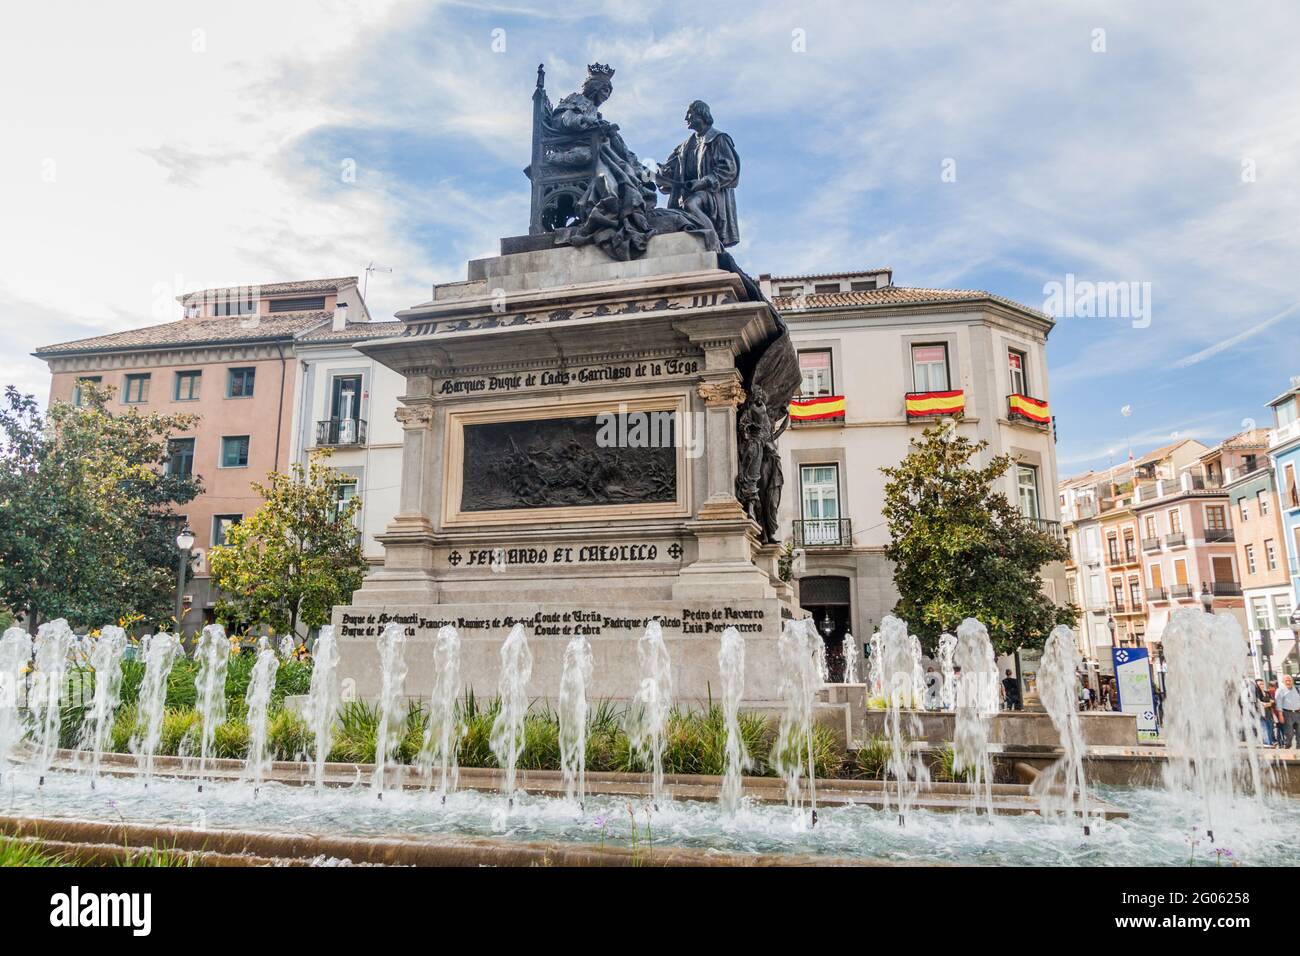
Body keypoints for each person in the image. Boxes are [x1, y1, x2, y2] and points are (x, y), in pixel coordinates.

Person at [1275, 675, 1300, 749]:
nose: (1288, 681)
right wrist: (1280, 715)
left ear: (1292, 681)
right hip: (1287, 713)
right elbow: (1278, 703)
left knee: (1299, 732)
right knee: (1289, 733)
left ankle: (1299, 749)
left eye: (1290, 679)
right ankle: (1287, 746)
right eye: (1286, 680)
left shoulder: (1297, 689)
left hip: (1297, 713)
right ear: (1283, 681)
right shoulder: (1280, 690)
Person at [1255, 678, 1276, 747]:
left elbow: (1273, 702)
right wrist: (1268, 703)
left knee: (1270, 728)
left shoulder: (1267, 692)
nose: (1262, 685)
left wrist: (1266, 704)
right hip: (1262, 714)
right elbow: (1260, 704)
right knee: (1265, 729)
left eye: (1262, 683)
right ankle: (1267, 743)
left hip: (1269, 713)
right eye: (1260, 684)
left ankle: (1270, 743)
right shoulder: (1256, 694)